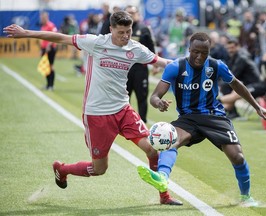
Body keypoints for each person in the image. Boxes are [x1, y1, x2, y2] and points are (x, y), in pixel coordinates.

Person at [3, 11, 182, 205]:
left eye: (128, 31)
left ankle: (164, 196)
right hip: (97, 115)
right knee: (99, 169)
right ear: (111, 29)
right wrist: (27, 33)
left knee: (152, 149)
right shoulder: (95, 42)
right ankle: (62, 170)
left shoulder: (135, 48)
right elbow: (60, 38)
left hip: (123, 110)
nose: (125, 36)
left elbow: (165, 63)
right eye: (121, 32)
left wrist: (191, 67)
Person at [137, 32, 266, 207]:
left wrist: (257, 107)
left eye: (204, 52)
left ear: (209, 51)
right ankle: (162, 178)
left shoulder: (217, 66)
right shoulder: (175, 67)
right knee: (170, 141)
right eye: (195, 52)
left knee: (237, 157)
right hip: (188, 118)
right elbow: (154, 96)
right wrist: (159, 103)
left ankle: (246, 197)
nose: (199, 57)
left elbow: (237, 84)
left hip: (214, 116)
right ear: (189, 49)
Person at [124, 5, 156, 123]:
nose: (131, 15)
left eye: (133, 12)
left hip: (140, 68)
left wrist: (156, 65)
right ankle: (124, 121)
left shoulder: (144, 28)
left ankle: (142, 122)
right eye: (128, 13)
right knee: (124, 97)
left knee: (142, 96)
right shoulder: (121, 29)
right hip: (124, 68)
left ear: (138, 13)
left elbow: (151, 47)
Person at [219, 39, 260, 119]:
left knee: (227, 87)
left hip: (254, 85)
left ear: (238, 46)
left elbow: (233, 75)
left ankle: (215, 104)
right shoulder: (234, 57)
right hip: (246, 84)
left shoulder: (242, 57)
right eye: (228, 48)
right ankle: (227, 111)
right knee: (227, 86)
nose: (230, 50)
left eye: (232, 48)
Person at [39, 11, 58, 91]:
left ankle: (51, 85)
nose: (42, 19)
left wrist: (49, 46)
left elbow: (54, 36)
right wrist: (41, 49)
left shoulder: (51, 25)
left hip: (50, 49)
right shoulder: (43, 26)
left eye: (43, 18)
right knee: (45, 66)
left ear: (46, 17)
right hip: (44, 49)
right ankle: (47, 84)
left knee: (50, 66)